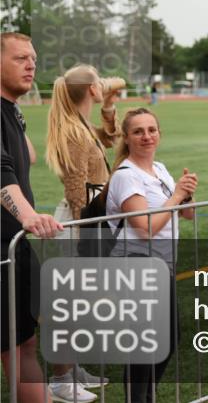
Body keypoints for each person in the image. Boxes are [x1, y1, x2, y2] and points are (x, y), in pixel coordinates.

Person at [105, 108, 197, 403]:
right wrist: (176, 196)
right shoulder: (126, 176)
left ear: (159, 134)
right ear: (126, 138)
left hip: (160, 263)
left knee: (167, 339)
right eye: (138, 131)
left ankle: (144, 397)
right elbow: (145, 228)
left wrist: (186, 194)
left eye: (151, 130)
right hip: (135, 263)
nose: (146, 136)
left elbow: (186, 214)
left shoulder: (159, 168)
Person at [45, 65, 122, 401]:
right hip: (80, 224)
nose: (103, 82)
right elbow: (77, 191)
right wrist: (89, 234)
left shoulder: (80, 125)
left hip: (87, 221)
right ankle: (60, 380)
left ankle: (72, 369)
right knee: (69, 307)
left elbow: (109, 139)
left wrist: (110, 106)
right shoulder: (74, 133)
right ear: (91, 89)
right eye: (98, 79)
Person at [1, 32, 64, 403]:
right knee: (14, 344)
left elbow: (28, 157)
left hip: (17, 246)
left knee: (24, 341)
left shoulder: (11, 109)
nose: (31, 66)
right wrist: (27, 215)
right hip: (5, 247)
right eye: (20, 58)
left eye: (34, 60)